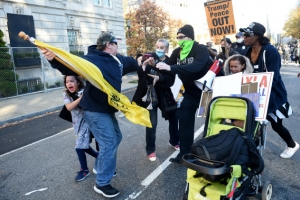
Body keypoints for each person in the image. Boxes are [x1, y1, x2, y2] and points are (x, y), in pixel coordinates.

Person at [42, 32, 140, 198]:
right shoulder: (90, 59)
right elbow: (68, 66)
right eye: (116, 43)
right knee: (109, 142)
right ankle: (102, 183)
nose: (118, 46)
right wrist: (53, 59)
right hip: (94, 109)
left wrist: (145, 59)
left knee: (116, 138)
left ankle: (100, 166)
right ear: (109, 44)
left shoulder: (117, 60)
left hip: (107, 108)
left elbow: (133, 62)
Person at [240, 22, 299, 158]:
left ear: (258, 36)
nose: (244, 37)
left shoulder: (270, 51)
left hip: (272, 94)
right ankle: (253, 152)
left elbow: (274, 77)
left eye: (247, 34)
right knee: (250, 124)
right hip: (252, 94)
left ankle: (291, 144)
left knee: (276, 125)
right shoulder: (245, 52)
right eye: (244, 34)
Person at [155, 24, 211, 163]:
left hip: (207, 92)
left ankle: (212, 153)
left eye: (182, 37)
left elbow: (196, 66)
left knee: (211, 123)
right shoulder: (178, 52)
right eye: (177, 38)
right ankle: (185, 154)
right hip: (190, 93)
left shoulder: (200, 49)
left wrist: (172, 67)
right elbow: (167, 65)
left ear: (190, 37)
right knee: (184, 122)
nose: (179, 40)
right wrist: (152, 62)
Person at [132, 39, 179, 161]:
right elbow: (140, 64)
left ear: (167, 49)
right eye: (157, 46)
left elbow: (170, 81)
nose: (159, 49)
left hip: (165, 95)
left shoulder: (170, 62)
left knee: (174, 118)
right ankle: (151, 150)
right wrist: (139, 58)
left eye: (162, 47)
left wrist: (159, 78)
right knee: (152, 123)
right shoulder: (150, 57)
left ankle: (174, 141)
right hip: (150, 94)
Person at [63, 75, 99, 181]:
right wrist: (81, 98)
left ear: (78, 82)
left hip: (87, 121)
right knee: (83, 145)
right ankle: (99, 157)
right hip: (76, 123)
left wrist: (84, 96)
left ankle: (84, 170)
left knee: (79, 146)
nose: (69, 83)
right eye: (67, 82)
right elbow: (69, 107)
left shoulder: (85, 91)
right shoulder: (66, 93)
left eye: (72, 81)